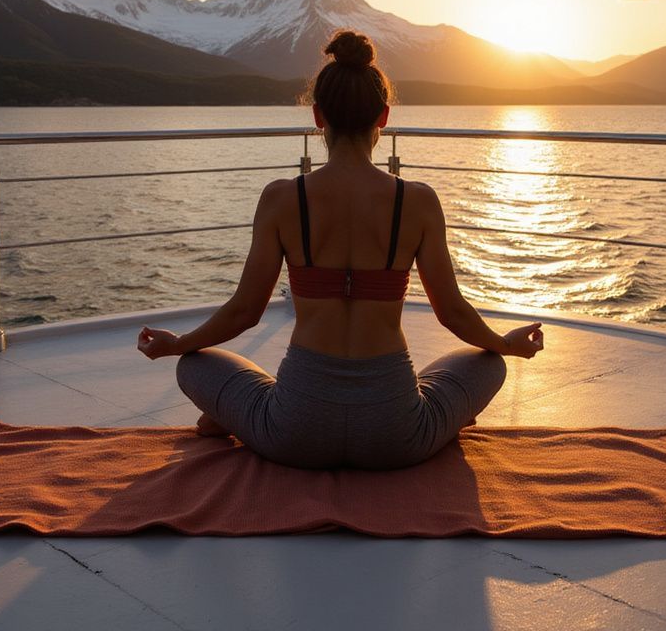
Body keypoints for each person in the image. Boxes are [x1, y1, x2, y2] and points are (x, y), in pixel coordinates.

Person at [137, 30, 544, 469]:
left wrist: (178, 345)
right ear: (384, 116)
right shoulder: (418, 201)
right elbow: (453, 313)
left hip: (292, 433)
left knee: (193, 366)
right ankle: (448, 419)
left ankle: (234, 418)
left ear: (317, 115)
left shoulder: (281, 198)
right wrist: (507, 345)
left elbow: (244, 312)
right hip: (397, 438)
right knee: (488, 365)